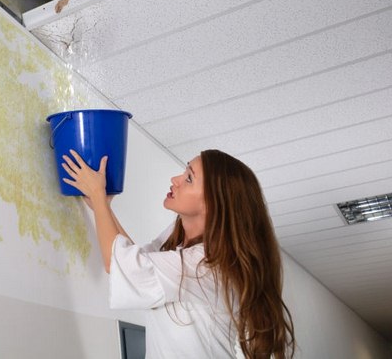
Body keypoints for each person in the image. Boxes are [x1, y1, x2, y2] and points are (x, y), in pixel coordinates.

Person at [61, 148, 295, 359]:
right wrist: (102, 207)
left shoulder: (207, 267)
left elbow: (121, 266)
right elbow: (136, 263)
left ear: (213, 203)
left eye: (189, 178)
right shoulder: (179, 235)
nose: (176, 180)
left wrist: (99, 197)